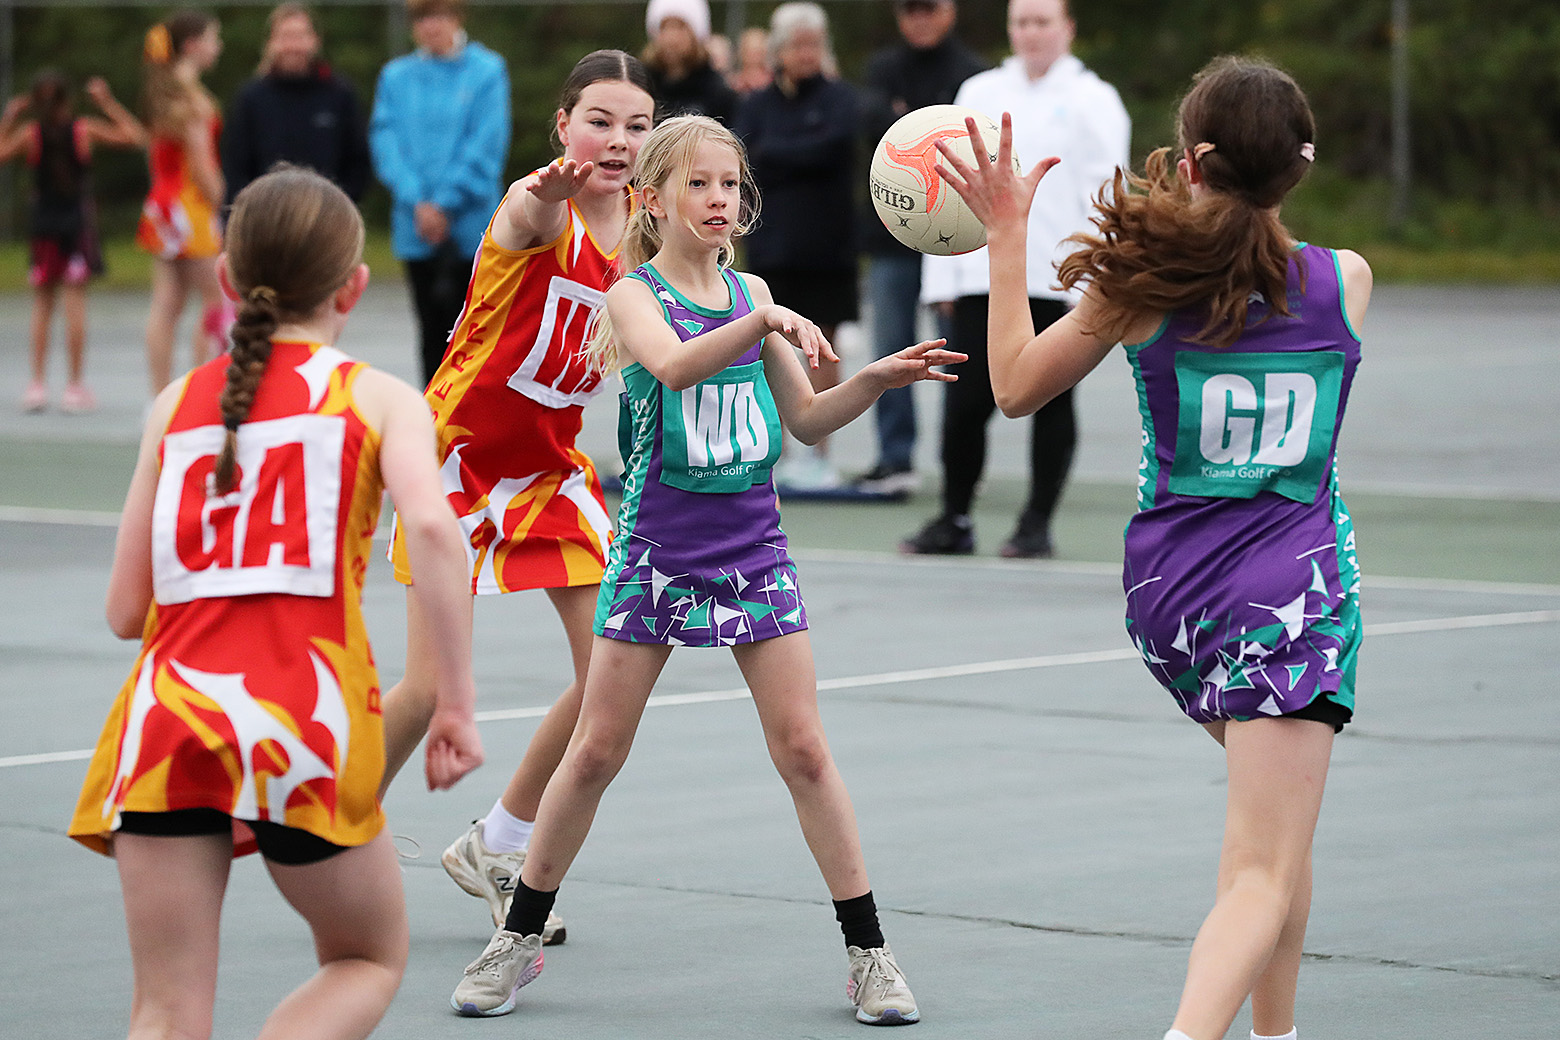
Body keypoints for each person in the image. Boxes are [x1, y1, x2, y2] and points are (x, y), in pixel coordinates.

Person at [448, 114, 963, 1025]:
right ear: (651, 199)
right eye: (699, 184)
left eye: (729, 184)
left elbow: (803, 422)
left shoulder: (751, 289)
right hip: (656, 550)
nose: (720, 200)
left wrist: (876, 380)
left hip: (752, 549)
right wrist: (760, 318)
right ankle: (517, 936)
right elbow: (678, 368)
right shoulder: (633, 296)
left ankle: (871, 954)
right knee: (597, 750)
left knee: (803, 750)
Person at [933, 55, 1368, 1040]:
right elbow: (1269, 278)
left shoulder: (1139, 289)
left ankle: (1277, 1034)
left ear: (1193, 163)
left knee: (1272, 845)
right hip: (1290, 599)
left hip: (1172, 596)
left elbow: (1010, 384)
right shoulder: (1346, 283)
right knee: (1263, 865)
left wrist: (1006, 238)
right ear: (1296, 168)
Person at [67, 167, 484, 1040]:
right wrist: (454, 702)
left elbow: (121, 611)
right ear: (355, 286)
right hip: (303, 719)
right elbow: (440, 536)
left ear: (223, 278)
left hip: (168, 720)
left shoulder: (175, 406)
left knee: (166, 1008)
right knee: (364, 958)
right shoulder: (376, 398)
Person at [379, 50, 655, 947]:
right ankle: (330, 827)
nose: (616, 141)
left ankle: (499, 843)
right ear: (563, 126)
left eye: (637, 125)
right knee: (424, 693)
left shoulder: (646, 237)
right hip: (455, 462)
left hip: (549, 474)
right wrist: (545, 190)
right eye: (599, 121)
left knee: (607, 677)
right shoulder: (535, 210)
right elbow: (528, 212)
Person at [906, 0, 1128, 555]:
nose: (1030, 33)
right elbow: (946, 192)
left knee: (1052, 403)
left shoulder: (1095, 101)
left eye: (1042, 21)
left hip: (1058, 281)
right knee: (963, 404)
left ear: (1068, 28)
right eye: (1021, 22)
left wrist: (1095, 284)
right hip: (982, 281)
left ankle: (1036, 523)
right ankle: (954, 518)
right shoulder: (979, 92)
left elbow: (1110, 198)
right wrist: (943, 284)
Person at [852, 0, 986, 498]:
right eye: (911, 10)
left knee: (955, 355)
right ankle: (894, 457)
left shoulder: (973, 74)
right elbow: (875, 127)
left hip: (954, 244)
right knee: (891, 350)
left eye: (928, 9)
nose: (920, 19)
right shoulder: (883, 68)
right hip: (891, 240)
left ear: (949, 11)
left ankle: (958, 461)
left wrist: (909, 118)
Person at [734, 2, 859, 491]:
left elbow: (833, 145)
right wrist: (793, 150)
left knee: (823, 347)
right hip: (774, 247)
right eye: (797, 44)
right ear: (778, 50)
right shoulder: (758, 103)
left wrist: (782, 152)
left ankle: (820, 452)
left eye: (814, 43)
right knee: (776, 347)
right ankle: (781, 451)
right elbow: (749, 155)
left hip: (828, 247)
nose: (806, 53)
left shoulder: (840, 99)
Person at [369, 0, 510, 386]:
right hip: (415, 225)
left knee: (472, 333)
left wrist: (446, 203)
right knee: (430, 330)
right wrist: (418, 201)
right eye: (422, 18)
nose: (431, 26)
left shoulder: (486, 71)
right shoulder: (396, 77)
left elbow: (486, 145)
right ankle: (431, 424)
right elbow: (386, 142)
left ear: (457, 17)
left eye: (439, 15)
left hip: (469, 228)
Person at [0, 71, 144, 413]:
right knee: (74, 304)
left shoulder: (29, 135)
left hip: (44, 226)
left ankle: (37, 385)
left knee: (42, 305)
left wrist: (8, 117)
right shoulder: (83, 130)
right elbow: (137, 137)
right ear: (67, 99)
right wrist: (107, 102)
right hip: (76, 225)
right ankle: (74, 386)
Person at [137, 9, 228, 395]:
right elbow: (200, 158)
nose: (218, 46)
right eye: (213, 38)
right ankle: (203, 392)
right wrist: (217, 194)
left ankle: (160, 397)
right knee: (217, 300)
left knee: (167, 304)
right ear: (193, 46)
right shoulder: (190, 99)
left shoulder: (162, 93)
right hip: (190, 206)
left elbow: (154, 156)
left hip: (163, 204)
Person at [222, 3, 372, 204]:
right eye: (285, 37)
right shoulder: (251, 98)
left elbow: (359, 162)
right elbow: (235, 165)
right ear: (270, 42)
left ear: (315, 41)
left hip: (328, 217)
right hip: (266, 218)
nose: (293, 46)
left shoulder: (339, 94)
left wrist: (339, 207)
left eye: (300, 36)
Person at [642, 0, 738, 124]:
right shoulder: (644, 86)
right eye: (664, 27)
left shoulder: (717, 92)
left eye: (680, 27)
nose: (671, 37)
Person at [726, 26, 772, 96]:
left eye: (757, 52)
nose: (754, 56)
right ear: (740, 52)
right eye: (750, 51)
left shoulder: (773, 83)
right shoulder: (732, 83)